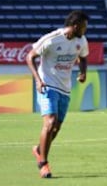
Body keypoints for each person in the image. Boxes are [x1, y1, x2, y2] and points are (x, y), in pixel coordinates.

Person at [26, 10, 89, 178]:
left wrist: (83, 73)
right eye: (84, 26)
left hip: (65, 88)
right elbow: (30, 57)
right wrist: (38, 80)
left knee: (57, 127)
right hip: (47, 85)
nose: (86, 29)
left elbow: (83, 58)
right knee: (50, 121)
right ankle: (43, 164)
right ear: (75, 26)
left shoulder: (81, 41)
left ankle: (39, 150)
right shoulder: (52, 39)